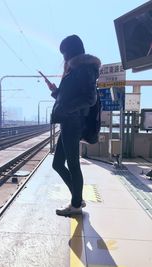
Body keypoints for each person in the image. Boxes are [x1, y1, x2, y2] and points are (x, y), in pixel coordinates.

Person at [45, 35, 101, 216]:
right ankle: (78, 198)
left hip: (73, 122)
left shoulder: (84, 68)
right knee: (58, 164)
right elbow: (70, 96)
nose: (64, 57)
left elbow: (89, 98)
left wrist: (67, 109)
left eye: (65, 52)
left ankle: (76, 204)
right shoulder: (76, 69)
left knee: (72, 164)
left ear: (72, 50)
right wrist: (56, 92)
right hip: (68, 121)